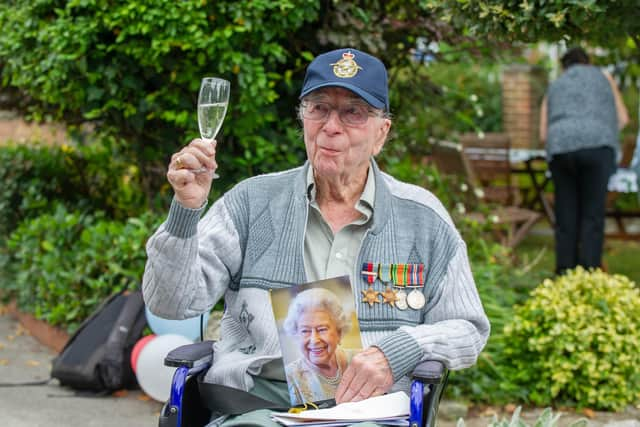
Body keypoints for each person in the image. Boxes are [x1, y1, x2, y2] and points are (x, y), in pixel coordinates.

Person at [143, 47, 490, 426]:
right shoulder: (250, 203)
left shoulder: (423, 219)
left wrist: (399, 351)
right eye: (319, 108)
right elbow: (170, 303)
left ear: (381, 133)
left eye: (353, 112)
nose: (331, 126)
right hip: (257, 410)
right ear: (303, 120)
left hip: (368, 413)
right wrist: (185, 211)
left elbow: (468, 326)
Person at [539, 47, 629, 275]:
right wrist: (599, 130)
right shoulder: (604, 77)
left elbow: (543, 134)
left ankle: (564, 274)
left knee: (566, 215)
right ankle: (589, 274)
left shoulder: (556, 84)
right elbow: (623, 119)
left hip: (561, 148)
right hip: (598, 147)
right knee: (592, 215)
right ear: (588, 62)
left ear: (564, 66)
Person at [282, 288, 356, 406]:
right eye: (305, 331)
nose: (314, 340)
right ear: (296, 335)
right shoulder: (290, 376)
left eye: (322, 329)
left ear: (339, 332)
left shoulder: (359, 360)